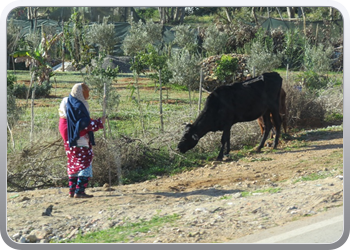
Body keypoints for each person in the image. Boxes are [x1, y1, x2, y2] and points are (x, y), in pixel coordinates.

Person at [58, 83, 105, 198]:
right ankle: (80, 191)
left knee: (74, 164)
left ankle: (72, 191)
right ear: (81, 93)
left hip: (69, 142)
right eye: (86, 92)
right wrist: (99, 123)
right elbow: (83, 124)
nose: (88, 94)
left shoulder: (67, 102)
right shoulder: (78, 106)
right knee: (85, 165)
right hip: (80, 141)